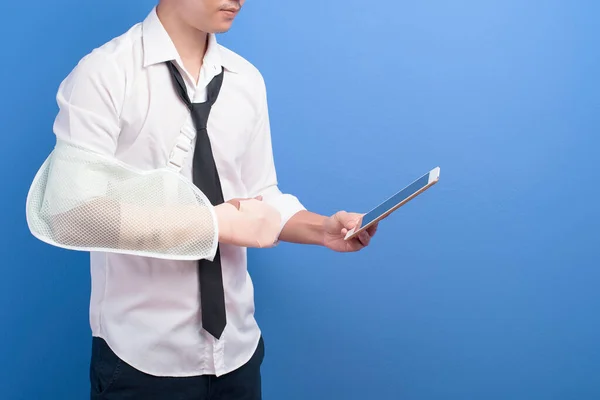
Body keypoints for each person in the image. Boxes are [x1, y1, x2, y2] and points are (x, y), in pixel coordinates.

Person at [27, 0, 378, 398]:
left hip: (239, 354)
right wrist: (213, 224)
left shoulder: (246, 80)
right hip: (141, 361)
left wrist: (322, 229)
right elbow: (69, 212)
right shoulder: (106, 73)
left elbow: (259, 195)